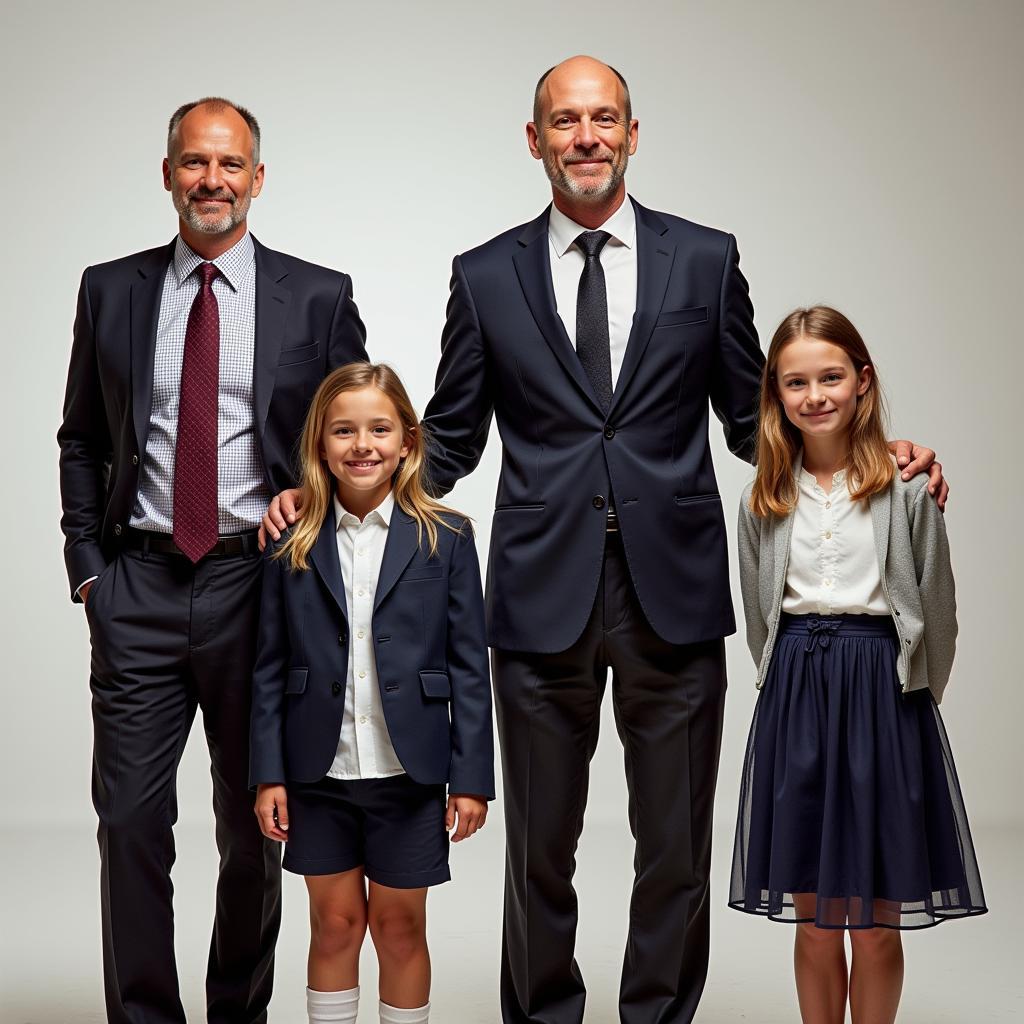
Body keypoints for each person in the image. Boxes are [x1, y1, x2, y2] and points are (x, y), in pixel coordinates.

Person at [262, 57, 945, 1024]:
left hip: (674, 590)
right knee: (540, 845)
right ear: (534, 139)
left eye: (603, 119)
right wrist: (322, 498)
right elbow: (447, 440)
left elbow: (757, 426)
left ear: (632, 132)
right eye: (564, 121)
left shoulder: (704, 260)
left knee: (673, 847)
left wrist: (881, 449)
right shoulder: (486, 273)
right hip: (540, 598)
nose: (585, 137)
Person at [57, 97, 368, 1024]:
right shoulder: (110, 289)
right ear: (167, 175)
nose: (212, 181)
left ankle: (238, 1011)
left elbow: (355, 439)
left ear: (258, 179)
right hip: (140, 584)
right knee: (132, 825)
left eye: (231, 165)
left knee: (254, 828)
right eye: (195, 163)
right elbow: (80, 437)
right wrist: (87, 570)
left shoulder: (318, 295)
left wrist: (312, 496)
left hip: (260, 588)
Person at [729, 306, 986, 1024]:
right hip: (796, 697)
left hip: (883, 696)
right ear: (776, 395)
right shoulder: (762, 499)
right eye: (796, 382)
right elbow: (759, 617)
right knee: (813, 918)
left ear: (862, 382)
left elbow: (938, 612)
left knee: (875, 922)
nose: (815, 396)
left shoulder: (908, 489)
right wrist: (789, 687)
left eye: (831, 377)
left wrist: (909, 704)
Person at [250, 362, 494, 1024]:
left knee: (400, 929)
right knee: (333, 926)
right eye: (344, 431)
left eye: (380, 429)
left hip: (409, 776)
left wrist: (471, 779)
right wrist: (267, 774)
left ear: (408, 440)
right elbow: (269, 666)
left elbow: (470, 666)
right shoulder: (287, 542)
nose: (363, 445)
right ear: (320, 445)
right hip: (315, 774)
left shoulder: (447, 537)